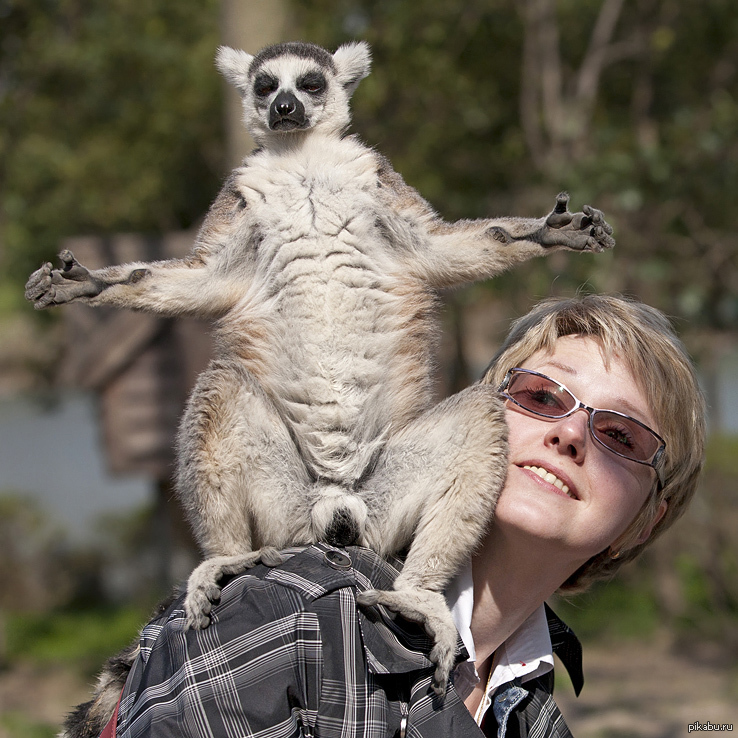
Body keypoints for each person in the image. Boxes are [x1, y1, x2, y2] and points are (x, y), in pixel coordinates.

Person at [86, 294, 705, 738]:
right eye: (541, 397)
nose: (571, 434)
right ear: (473, 419)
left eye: (621, 435)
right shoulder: (293, 611)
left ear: (644, 521)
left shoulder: (532, 711)